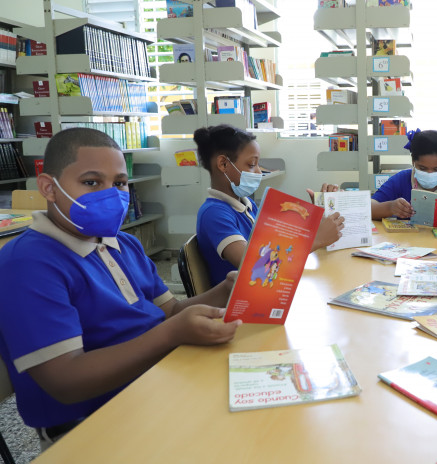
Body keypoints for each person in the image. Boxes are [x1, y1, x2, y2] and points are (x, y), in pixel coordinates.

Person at [0, 128, 241, 448]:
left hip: (159, 385)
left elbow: (170, 312)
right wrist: (170, 334)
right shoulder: (27, 264)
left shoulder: (124, 243)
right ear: (49, 187)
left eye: (119, 183)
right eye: (91, 182)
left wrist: (225, 288)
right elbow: (65, 381)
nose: (111, 195)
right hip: (93, 424)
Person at [194, 124, 344, 285]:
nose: (259, 172)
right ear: (223, 164)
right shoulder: (214, 214)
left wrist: (317, 216)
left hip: (268, 285)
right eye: (252, 165)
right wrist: (316, 239)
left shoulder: (248, 205)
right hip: (248, 296)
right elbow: (255, 264)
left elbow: (279, 244)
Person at [371, 129, 437, 221]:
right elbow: (369, 207)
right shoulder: (401, 179)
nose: (429, 174)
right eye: (422, 168)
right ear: (413, 161)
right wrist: (390, 207)